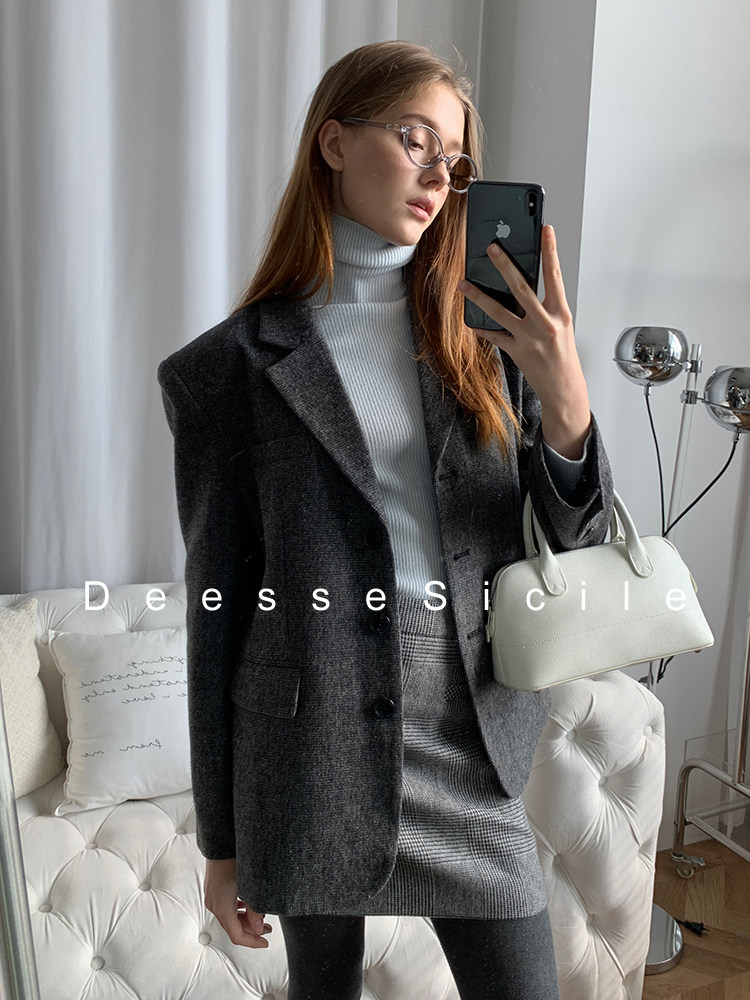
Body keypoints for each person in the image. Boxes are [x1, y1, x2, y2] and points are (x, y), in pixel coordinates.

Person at [157, 39, 613, 1000]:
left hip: (469, 736)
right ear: (334, 142)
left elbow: (578, 546)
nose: (439, 177)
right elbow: (217, 609)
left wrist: (567, 401)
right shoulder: (223, 372)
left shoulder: (491, 344)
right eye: (416, 141)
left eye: (455, 159)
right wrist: (221, 843)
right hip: (307, 746)